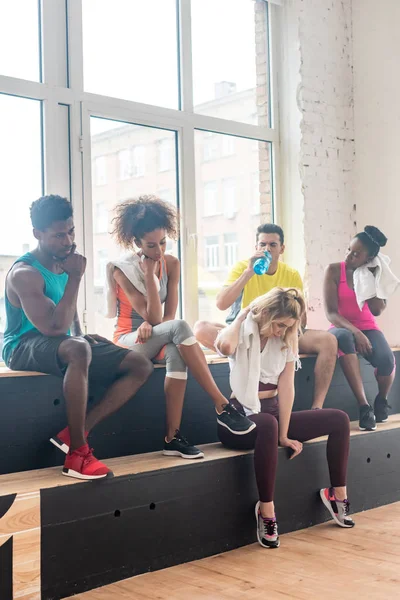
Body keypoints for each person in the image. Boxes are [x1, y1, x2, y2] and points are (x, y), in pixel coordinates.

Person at [2, 195, 154, 481]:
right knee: (77, 348)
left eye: (71, 231)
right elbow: (54, 326)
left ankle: (76, 432)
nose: (68, 241)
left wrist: (82, 335)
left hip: (59, 340)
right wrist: (76, 278)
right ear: (38, 234)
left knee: (140, 365)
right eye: (59, 235)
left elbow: (65, 312)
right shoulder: (25, 274)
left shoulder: (64, 262)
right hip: (20, 346)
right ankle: (78, 455)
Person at [108, 195, 255, 459]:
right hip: (127, 342)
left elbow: (168, 317)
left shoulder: (172, 264)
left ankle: (171, 437)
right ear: (136, 243)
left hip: (155, 335)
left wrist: (154, 327)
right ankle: (222, 405)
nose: (159, 251)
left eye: (163, 242)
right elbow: (152, 316)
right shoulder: (122, 270)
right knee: (180, 328)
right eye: (151, 245)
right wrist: (151, 279)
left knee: (177, 350)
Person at [215, 287, 354, 549]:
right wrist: (244, 313)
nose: (281, 331)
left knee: (339, 419)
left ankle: (337, 495)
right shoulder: (243, 332)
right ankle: (266, 511)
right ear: (265, 313)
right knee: (267, 423)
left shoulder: (285, 341)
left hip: (272, 416)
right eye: (278, 324)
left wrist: (285, 434)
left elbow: (287, 389)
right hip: (237, 420)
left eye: (287, 326)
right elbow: (224, 346)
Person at [194, 224, 338, 409]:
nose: (267, 249)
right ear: (256, 247)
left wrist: (286, 335)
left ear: (282, 248)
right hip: (249, 334)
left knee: (329, 341)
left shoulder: (291, 274)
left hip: (280, 334)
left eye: (272, 245)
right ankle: (252, 356)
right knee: (200, 328)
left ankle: (317, 407)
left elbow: (300, 319)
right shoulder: (243, 268)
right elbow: (221, 304)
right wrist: (248, 273)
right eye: (262, 244)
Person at [324, 226, 395, 431]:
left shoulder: (374, 272)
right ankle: (364, 407)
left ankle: (381, 400)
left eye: (356, 254)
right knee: (345, 338)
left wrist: (372, 276)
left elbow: (377, 310)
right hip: (340, 327)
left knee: (387, 360)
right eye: (348, 250)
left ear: (369, 257)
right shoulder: (334, 270)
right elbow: (331, 313)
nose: (349, 256)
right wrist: (356, 333)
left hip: (368, 327)